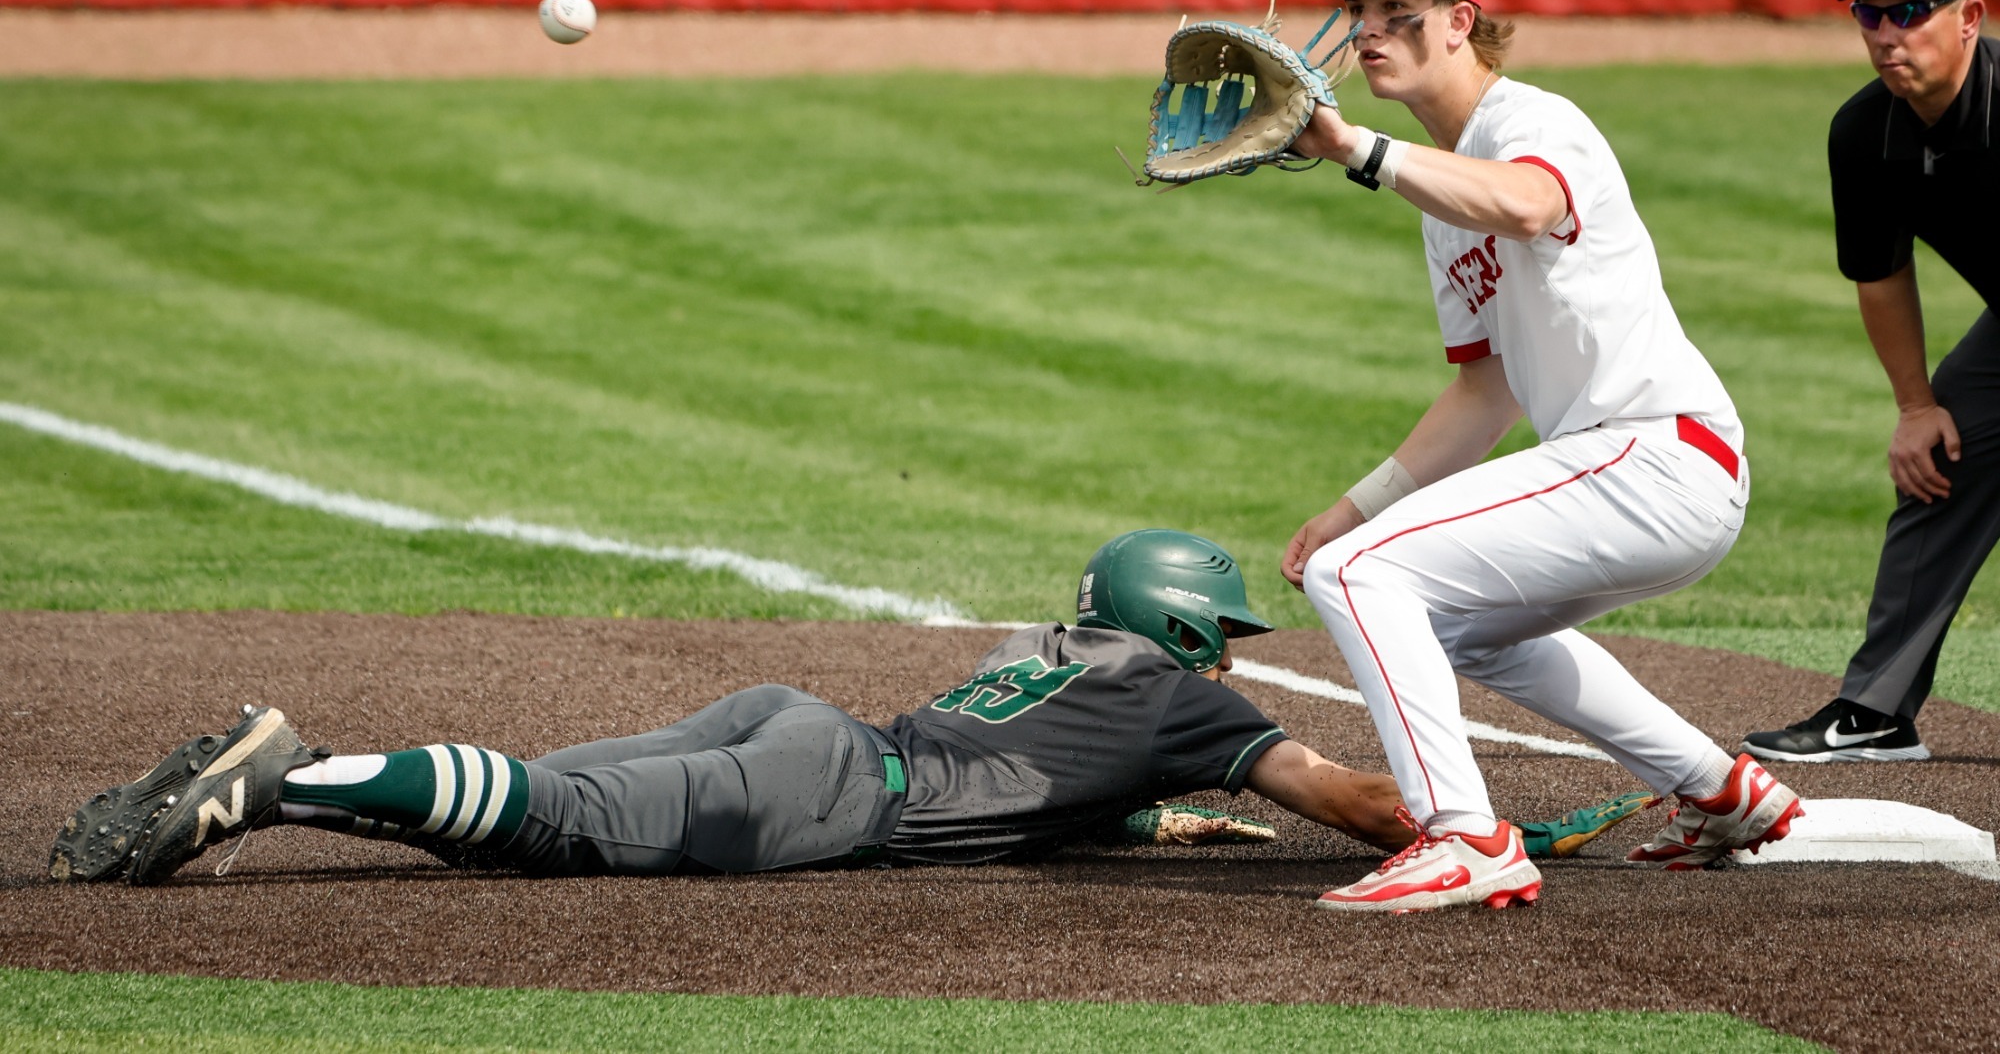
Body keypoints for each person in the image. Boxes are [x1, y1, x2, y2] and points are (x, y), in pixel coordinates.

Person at [49, 530, 1645, 890]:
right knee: (565, 828)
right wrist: (1484, 827)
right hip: (833, 791)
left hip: (799, 721)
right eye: (1215, 630)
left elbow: (1047, 776)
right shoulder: (1176, 694)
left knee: (534, 801)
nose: (1229, 655)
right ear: (1177, 623)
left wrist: (1145, 814)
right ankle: (279, 777)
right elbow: (1357, 803)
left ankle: (306, 774)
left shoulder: (1063, 656)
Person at [1277, 0, 1802, 914]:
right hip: (1634, 470)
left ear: (1458, 21)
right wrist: (1353, 504)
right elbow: (1487, 393)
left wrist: (1355, 150)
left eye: (1398, 11)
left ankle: (1464, 837)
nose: (1369, 31)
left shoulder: (1533, 122)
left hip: (1655, 452)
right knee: (1449, 617)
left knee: (1364, 577)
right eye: (1356, 12)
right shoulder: (1440, 194)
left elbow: (1522, 204)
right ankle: (1724, 792)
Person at [1744, 0, 1994, 765]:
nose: (1889, 36)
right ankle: (1876, 709)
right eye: (1871, 16)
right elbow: (1881, 273)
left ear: (1970, 17)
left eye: (1913, 13)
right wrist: (1917, 405)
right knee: (1942, 464)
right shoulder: (1866, 132)